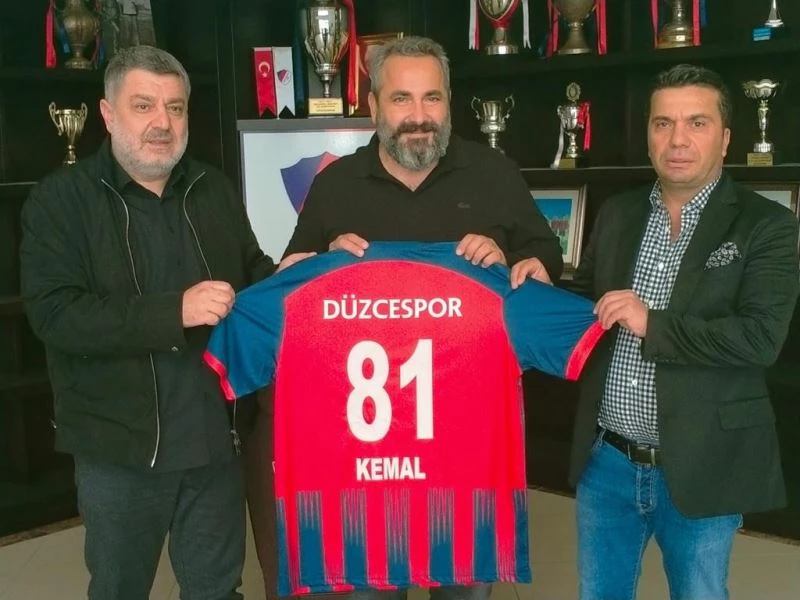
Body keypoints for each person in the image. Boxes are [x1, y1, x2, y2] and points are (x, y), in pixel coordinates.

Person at [248, 35, 562, 600]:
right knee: (371, 587)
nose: (419, 116)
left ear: (449, 101)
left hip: (467, 448)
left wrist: (517, 260)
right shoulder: (335, 184)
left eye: (432, 98)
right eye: (401, 99)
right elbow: (291, 281)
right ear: (373, 106)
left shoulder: (494, 173)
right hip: (364, 456)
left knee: (464, 586)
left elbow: (544, 254)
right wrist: (317, 265)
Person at [20, 45, 301, 599]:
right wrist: (174, 312)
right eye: (143, 105)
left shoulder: (213, 188)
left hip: (215, 440)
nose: (162, 123)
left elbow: (250, 276)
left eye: (175, 107)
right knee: (120, 589)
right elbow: (56, 314)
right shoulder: (60, 201)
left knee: (217, 590)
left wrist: (293, 278)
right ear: (108, 114)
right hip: (118, 451)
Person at [563, 63, 799, 600]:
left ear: (726, 138)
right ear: (648, 134)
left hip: (703, 462)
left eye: (697, 123)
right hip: (607, 462)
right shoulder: (618, 213)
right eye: (663, 123)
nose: (677, 140)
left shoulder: (766, 225)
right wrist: (532, 280)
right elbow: (586, 305)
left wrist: (652, 323)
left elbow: (760, 338)